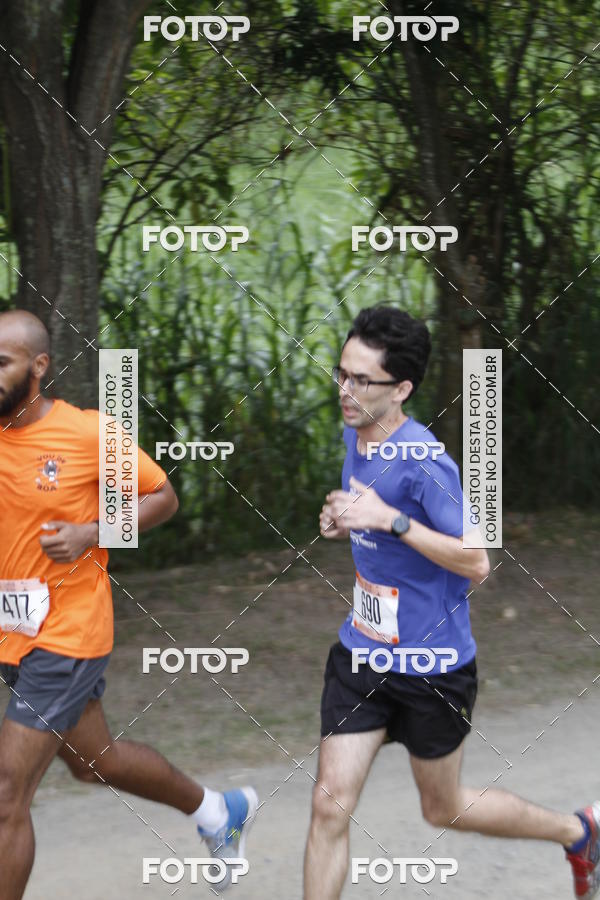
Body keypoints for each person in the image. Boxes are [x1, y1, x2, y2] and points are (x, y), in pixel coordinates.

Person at [303, 304, 599, 900]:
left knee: (443, 808)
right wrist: (346, 522)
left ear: (403, 389)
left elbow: (478, 562)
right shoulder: (354, 430)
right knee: (328, 806)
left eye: (362, 380)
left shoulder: (428, 464)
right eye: (342, 374)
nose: (345, 390)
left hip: (433, 669)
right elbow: (371, 521)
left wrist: (390, 521)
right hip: (363, 654)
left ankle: (578, 831)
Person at [0, 309, 257, 900]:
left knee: (8, 793)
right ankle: (220, 811)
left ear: (38, 367)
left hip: (66, 635)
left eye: (2, 362)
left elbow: (162, 497)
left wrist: (93, 532)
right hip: (15, 633)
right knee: (96, 762)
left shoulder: (87, 434)